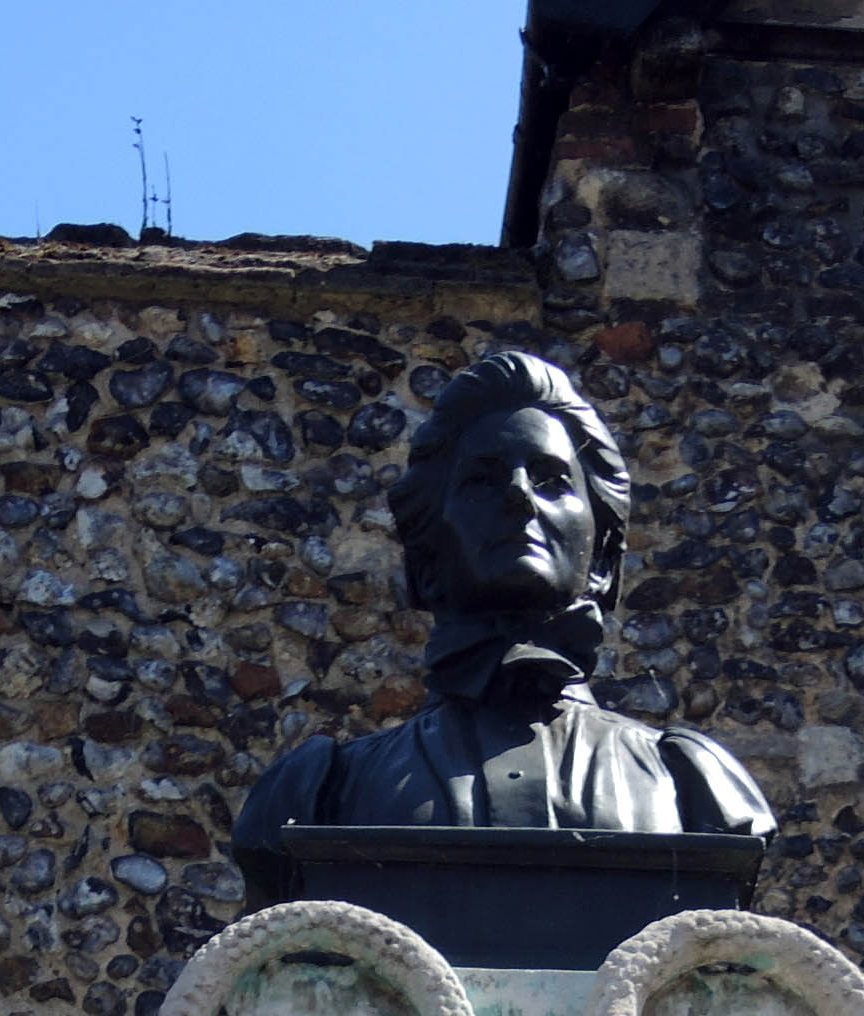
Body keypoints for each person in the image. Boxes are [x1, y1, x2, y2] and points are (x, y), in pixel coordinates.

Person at [231, 346, 773, 890]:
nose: (519, 496)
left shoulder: (695, 788)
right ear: (425, 560)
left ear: (604, 562)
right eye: (483, 481)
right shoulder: (319, 796)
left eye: (552, 480)